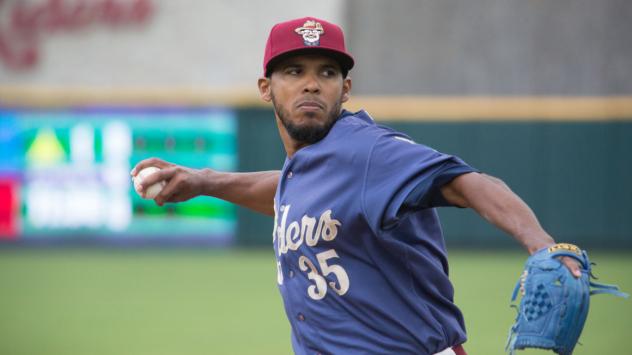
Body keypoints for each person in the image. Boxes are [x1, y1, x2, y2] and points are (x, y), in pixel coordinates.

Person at [132, 17, 580, 355]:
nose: (311, 84)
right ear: (266, 88)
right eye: (294, 71)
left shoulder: (371, 152)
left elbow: (467, 183)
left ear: (345, 88)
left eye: (326, 72)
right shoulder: (307, 168)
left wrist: (539, 244)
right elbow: (293, 192)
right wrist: (205, 181)